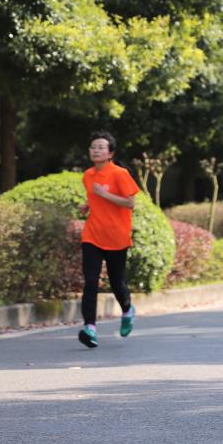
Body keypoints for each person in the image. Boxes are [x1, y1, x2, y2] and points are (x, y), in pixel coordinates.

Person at [77, 131, 139, 348]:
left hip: (116, 236)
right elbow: (93, 198)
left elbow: (130, 203)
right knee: (90, 281)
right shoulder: (88, 175)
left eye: (101, 147)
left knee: (116, 282)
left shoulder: (120, 174)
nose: (96, 150)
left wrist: (105, 195)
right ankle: (90, 328)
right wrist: (87, 206)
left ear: (110, 153)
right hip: (92, 234)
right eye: (93, 147)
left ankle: (127, 310)